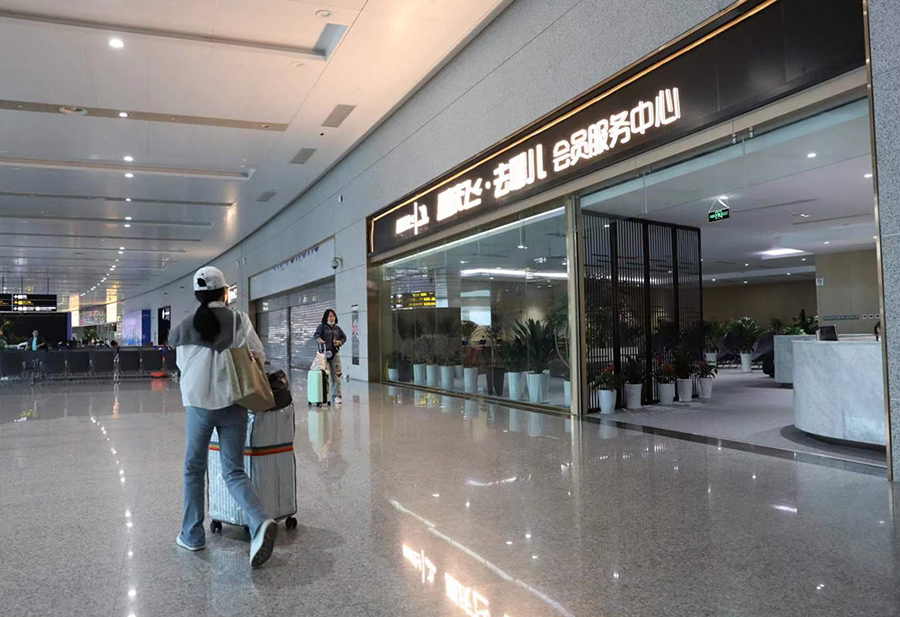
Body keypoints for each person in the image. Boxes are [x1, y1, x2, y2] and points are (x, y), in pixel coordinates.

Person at [168, 266, 278, 567]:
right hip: (235, 403)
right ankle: (260, 521)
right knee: (233, 471)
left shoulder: (183, 326)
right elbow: (259, 355)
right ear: (224, 292)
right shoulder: (240, 320)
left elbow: (181, 365)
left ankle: (192, 535)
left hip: (199, 405)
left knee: (193, 468)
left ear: (196, 294)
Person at [315, 308, 347, 405]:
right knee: (323, 376)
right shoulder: (322, 327)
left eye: (333, 316)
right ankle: (323, 396)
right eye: (330, 316)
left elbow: (344, 337)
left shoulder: (337, 329)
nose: (332, 318)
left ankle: (337, 396)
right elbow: (316, 335)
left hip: (335, 354)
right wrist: (319, 339)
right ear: (326, 317)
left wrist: (340, 342)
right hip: (323, 354)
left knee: (336, 375)